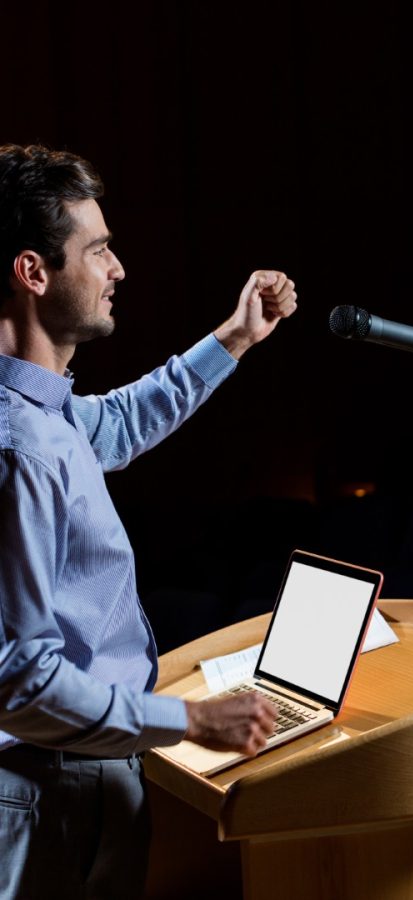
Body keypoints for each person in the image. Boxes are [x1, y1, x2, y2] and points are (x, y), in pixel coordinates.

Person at [0, 143, 297, 898]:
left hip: (75, 780)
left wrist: (234, 337)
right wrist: (187, 721)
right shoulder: (20, 448)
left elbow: (120, 425)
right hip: (52, 793)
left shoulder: (46, 412)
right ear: (34, 272)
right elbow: (20, 682)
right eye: (98, 249)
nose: (118, 268)